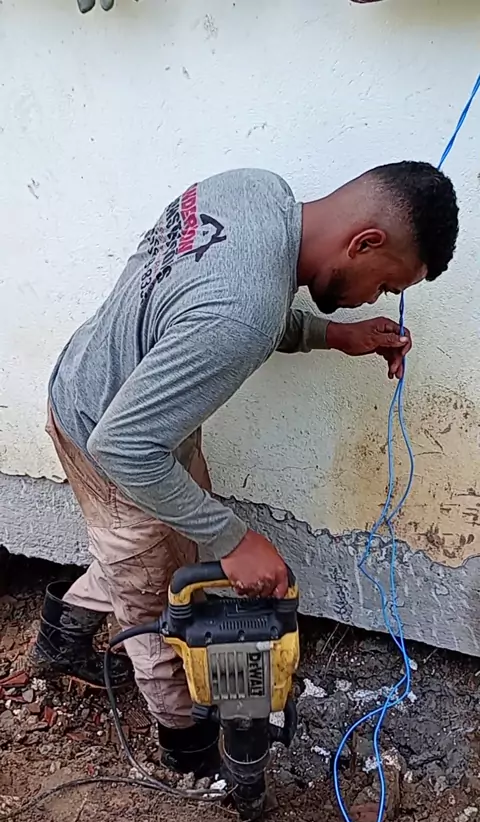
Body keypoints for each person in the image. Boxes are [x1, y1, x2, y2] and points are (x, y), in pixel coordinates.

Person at [32, 162, 458, 775]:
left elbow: (216, 306)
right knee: (153, 603)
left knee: (166, 555)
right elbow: (123, 446)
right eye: (384, 283)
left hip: (119, 395)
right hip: (111, 436)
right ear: (364, 243)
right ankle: (190, 754)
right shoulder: (244, 311)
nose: (373, 297)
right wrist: (236, 539)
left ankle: (63, 628)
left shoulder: (256, 191)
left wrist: (335, 336)